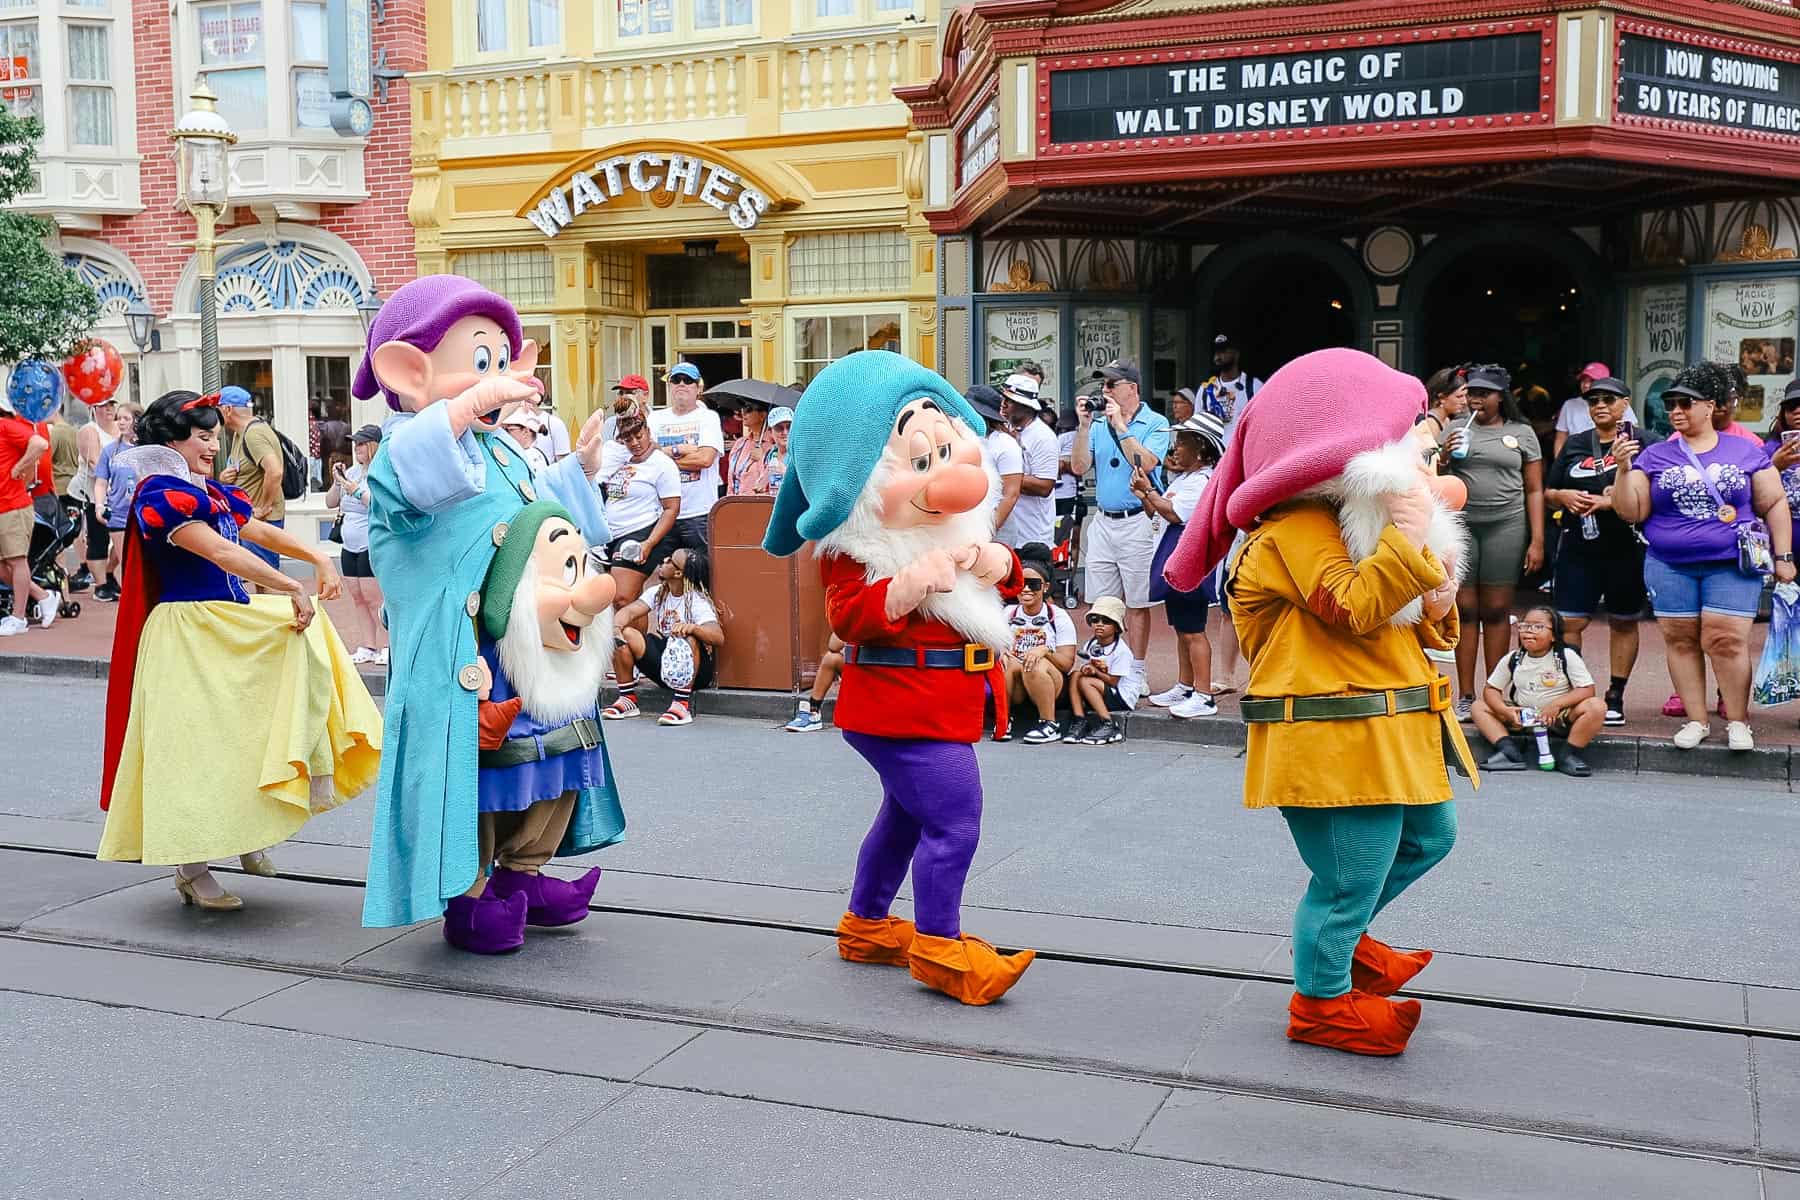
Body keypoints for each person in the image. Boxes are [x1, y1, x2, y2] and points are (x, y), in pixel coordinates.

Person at [1163, 348, 1475, 1057]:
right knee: (1345, 879)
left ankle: (1350, 945)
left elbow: (1410, 621)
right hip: (1336, 739)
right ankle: (1323, 1000)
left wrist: (1441, 592)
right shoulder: (1295, 530)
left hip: (1386, 729)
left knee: (1431, 839)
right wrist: (1406, 536)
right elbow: (1355, 606)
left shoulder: (1343, 519)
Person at [761, 350, 1035, 1006]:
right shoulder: (863, 548)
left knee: (907, 818)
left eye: (945, 448)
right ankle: (940, 947)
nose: (948, 470)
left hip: (935, 701)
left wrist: (1003, 565)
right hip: (898, 706)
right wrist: (904, 587)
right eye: (919, 459)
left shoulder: (948, 528)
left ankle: (867, 923)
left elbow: (989, 592)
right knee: (955, 820)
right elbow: (849, 617)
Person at [355, 274, 617, 950]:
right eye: (480, 361)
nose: (499, 377)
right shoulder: (403, 450)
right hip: (463, 655)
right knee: (475, 772)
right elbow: (418, 478)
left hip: (528, 647)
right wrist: (466, 405)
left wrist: (578, 471)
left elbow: (529, 510)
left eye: (502, 360)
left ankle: (522, 874)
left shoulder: (500, 445)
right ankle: (470, 898)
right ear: (412, 372)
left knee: (551, 755)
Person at [96, 389, 382, 910]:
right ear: (172, 440)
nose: (214, 446)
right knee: (198, 749)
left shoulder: (203, 489)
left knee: (254, 723)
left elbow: (250, 530)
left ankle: (248, 828)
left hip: (223, 622)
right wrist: (290, 585)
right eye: (203, 437)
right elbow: (222, 550)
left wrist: (317, 556)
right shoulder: (159, 493)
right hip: (188, 630)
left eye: (214, 435)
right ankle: (191, 866)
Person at [1614, 362, 1795, 751]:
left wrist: (1784, 555)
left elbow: (1775, 502)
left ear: (1710, 406)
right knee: (1680, 639)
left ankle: (1737, 721)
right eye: (1670, 404)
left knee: (1726, 639)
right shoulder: (1656, 455)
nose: (1675, 411)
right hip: (1668, 562)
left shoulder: (1745, 450)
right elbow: (1631, 511)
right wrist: (1624, 467)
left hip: (1732, 561)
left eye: (1685, 403)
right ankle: (1696, 720)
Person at [1437, 363, 1545, 718]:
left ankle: (1494, 692)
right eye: (1473, 392)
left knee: (1497, 610)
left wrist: (1538, 540)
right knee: (1465, 611)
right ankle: (1466, 695)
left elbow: (1533, 489)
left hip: (1507, 525)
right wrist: (1445, 456)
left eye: (1486, 393)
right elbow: (1435, 479)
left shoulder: (1522, 432)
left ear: (1503, 396)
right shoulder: (1454, 428)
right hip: (1463, 525)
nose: (1477, 399)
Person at [1544, 376, 1642, 726]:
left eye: (1609, 399)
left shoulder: (1644, 442)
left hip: (1625, 545)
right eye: (1593, 400)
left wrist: (1611, 501)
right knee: (1571, 620)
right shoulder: (1576, 443)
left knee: (1623, 619)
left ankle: (1616, 693)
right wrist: (1564, 496)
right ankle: (1577, 690)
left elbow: (1652, 493)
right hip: (1578, 543)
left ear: (1626, 402)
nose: (1600, 405)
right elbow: (1549, 491)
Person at [1070, 359, 1170, 698]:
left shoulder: (1155, 423)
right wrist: (1085, 427)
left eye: (1112, 385)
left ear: (1132, 387)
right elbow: (1079, 466)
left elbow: (1147, 463)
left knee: (1138, 602)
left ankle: (1137, 670)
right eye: (1103, 386)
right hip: (1104, 519)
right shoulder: (1098, 425)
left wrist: (1121, 427)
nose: (1106, 391)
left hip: (1138, 520)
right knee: (1101, 601)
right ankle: (1109, 665)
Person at [1138, 412, 1226, 719]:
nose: (1175, 448)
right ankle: (1185, 685)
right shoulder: (1187, 478)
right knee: (1181, 629)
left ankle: (1204, 694)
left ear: (1201, 449)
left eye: (1183, 442)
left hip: (1190, 563)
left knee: (1193, 631)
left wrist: (1149, 492)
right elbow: (1160, 512)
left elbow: (1175, 514)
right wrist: (1145, 492)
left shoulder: (1202, 480)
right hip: (1175, 558)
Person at [1471, 606, 1606, 776]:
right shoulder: (1514, 658)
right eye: (1525, 626)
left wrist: (1556, 705)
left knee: (1597, 707)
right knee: (1478, 707)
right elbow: (1492, 689)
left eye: (1538, 627)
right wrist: (1504, 710)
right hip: (1522, 716)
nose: (1529, 631)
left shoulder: (1566, 656)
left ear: (1554, 635)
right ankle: (1509, 752)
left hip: (1558, 717)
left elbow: (1587, 689)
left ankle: (1568, 755)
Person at [605, 546, 725, 726]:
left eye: (671, 561)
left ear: (678, 574)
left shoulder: (696, 600)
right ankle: (627, 699)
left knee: (689, 638)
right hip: (666, 663)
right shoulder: (659, 591)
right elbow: (629, 612)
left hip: (695, 673)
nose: (665, 559)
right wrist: (616, 628)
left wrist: (692, 628)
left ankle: (681, 704)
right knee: (626, 633)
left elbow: (718, 637)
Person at [595, 399, 681, 607]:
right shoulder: (620, 459)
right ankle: (633, 640)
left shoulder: (662, 464)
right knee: (620, 599)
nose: (634, 443)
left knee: (623, 597)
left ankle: (635, 640)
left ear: (648, 431)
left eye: (638, 436)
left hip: (639, 532)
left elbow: (671, 509)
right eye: (627, 439)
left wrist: (649, 543)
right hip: (609, 535)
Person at [999, 547, 1077, 745]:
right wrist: (1000, 652)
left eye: (1033, 584)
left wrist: (1045, 651)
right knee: (1005, 663)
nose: (1025, 589)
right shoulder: (1008, 613)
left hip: (1051, 683)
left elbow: (1067, 664)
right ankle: (1004, 720)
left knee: (1034, 662)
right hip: (1017, 685)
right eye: (1020, 584)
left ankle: (1049, 723)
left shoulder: (1057, 616)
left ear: (1045, 587)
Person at [327, 424, 388, 665]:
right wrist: (337, 481)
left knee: (375, 598)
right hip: (349, 543)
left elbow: (380, 505)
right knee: (358, 597)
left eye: (361, 444)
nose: (356, 448)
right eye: (355, 444)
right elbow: (331, 502)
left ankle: (385, 645)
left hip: (370, 542)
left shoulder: (381, 473)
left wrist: (355, 491)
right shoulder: (352, 473)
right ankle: (367, 645)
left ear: (373, 445)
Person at [650, 361, 724, 553]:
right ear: (669, 386)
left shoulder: (708, 418)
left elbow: (705, 459)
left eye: (688, 380)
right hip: (661, 511)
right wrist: (681, 449)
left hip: (699, 512)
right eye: (676, 380)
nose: (681, 384)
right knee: (661, 571)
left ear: (698, 387)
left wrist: (665, 457)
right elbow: (648, 458)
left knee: (706, 571)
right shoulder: (655, 419)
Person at [215, 386, 286, 574]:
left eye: (218, 408)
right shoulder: (241, 433)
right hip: (249, 518)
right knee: (257, 576)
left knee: (266, 577)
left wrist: (264, 507)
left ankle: (278, 605)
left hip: (262, 520)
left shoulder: (255, 434)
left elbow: (275, 471)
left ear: (228, 410)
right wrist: (224, 477)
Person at [0, 391, 55, 635]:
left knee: (16, 560)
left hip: (12, 503)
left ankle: (19, 617)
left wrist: (18, 469)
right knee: (4, 566)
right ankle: (42, 595)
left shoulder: (6, 426)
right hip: (5, 504)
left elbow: (40, 444)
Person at [1064, 594, 1137, 744]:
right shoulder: (1091, 644)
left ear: (1117, 627)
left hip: (1122, 696)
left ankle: (1108, 723)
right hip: (1100, 689)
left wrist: (1095, 672)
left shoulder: (1121, 651)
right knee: (1076, 675)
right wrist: (1086, 669)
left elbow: (1114, 682)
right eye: (1095, 620)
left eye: (1106, 621)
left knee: (1085, 682)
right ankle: (1080, 719)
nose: (1099, 624)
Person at [998, 373, 1058, 550]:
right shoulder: (1005, 429)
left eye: (1011, 400)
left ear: (1026, 406)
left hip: (1032, 537)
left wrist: (1004, 476)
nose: (1004, 403)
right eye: (1004, 398)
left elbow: (1045, 486)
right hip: (1007, 535)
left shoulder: (1043, 436)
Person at [93, 403, 143, 594]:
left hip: (143, 512)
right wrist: (99, 505)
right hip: (119, 513)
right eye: (119, 418)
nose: (121, 423)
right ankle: (133, 598)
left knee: (144, 558)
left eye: (126, 418)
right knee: (128, 561)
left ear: (137, 421)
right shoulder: (111, 451)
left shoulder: (148, 448)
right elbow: (101, 482)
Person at [75, 397, 119, 600]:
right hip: (95, 495)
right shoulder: (90, 430)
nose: (109, 409)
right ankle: (101, 585)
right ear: (94, 408)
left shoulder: (121, 428)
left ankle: (109, 572)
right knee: (98, 540)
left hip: (121, 495)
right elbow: (93, 460)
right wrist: (107, 484)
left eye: (112, 405)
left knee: (122, 538)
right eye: (104, 405)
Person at [966, 384, 1022, 534]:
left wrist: (989, 530)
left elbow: (1011, 493)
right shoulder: (965, 438)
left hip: (996, 527)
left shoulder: (1004, 444)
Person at [1198, 333, 1263, 446]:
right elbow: (1198, 428)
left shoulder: (1254, 386)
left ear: (1236, 354)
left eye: (1223, 350)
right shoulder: (1205, 390)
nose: (1218, 355)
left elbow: (1263, 424)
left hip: (1242, 456)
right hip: (1214, 459)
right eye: (1216, 351)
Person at [785, 631, 843, 733]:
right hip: (862, 672)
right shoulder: (858, 618)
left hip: (878, 673)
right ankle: (813, 710)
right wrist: (849, 621)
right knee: (831, 658)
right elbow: (834, 645)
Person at [1552, 361, 1612, 458]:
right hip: (1575, 460)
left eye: (1592, 381)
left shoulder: (1617, 403)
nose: (1586, 385)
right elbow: (1560, 439)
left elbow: (1630, 432)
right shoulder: (1569, 405)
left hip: (1608, 459)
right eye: (1584, 380)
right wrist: (1559, 465)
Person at [727, 397, 781, 496]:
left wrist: (760, 460)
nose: (743, 412)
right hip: (735, 504)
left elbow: (772, 482)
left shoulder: (774, 445)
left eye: (748, 408)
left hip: (758, 504)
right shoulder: (740, 443)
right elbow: (731, 479)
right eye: (742, 408)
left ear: (762, 415)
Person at [497, 405, 550, 473]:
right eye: (503, 429)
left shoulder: (528, 457)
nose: (505, 433)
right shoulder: (533, 453)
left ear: (526, 431)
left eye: (509, 430)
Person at [1421, 365, 1470, 437]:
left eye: (1466, 396)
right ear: (1442, 398)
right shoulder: (1430, 423)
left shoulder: (1446, 420)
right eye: (1459, 397)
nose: (1465, 402)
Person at [767, 405, 793, 493]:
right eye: (779, 428)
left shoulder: (800, 454)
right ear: (770, 432)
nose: (785, 432)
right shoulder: (770, 454)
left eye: (789, 427)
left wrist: (785, 473)